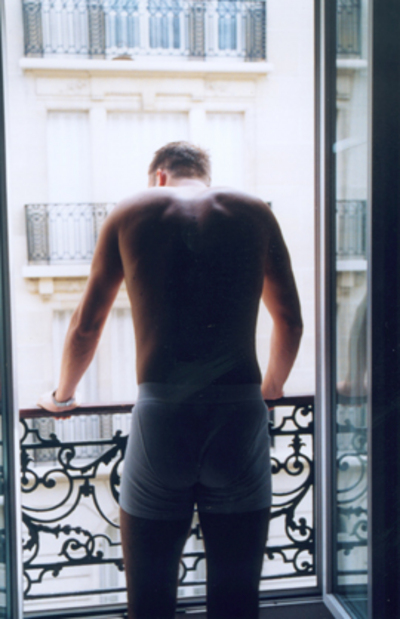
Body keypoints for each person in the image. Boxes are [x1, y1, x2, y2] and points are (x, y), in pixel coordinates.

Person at [38, 141, 303, 619]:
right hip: (239, 415)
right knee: (237, 600)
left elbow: (86, 326)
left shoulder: (132, 211)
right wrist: (270, 391)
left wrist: (62, 396)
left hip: (163, 416)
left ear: (158, 176)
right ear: (204, 174)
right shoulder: (253, 212)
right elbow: (290, 321)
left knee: (150, 601)